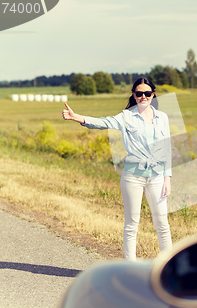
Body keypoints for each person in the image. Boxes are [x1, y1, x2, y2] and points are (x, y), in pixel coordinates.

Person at [62, 77, 173, 261]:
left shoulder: (162, 118)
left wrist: (167, 177)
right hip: (133, 176)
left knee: (162, 223)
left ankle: (171, 268)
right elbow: (103, 122)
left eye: (147, 93)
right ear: (134, 95)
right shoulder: (126, 116)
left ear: (153, 94)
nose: (143, 97)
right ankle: (131, 268)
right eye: (139, 94)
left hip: (157, 175)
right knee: (132, 224)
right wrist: (77, 118)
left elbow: (167, 147)